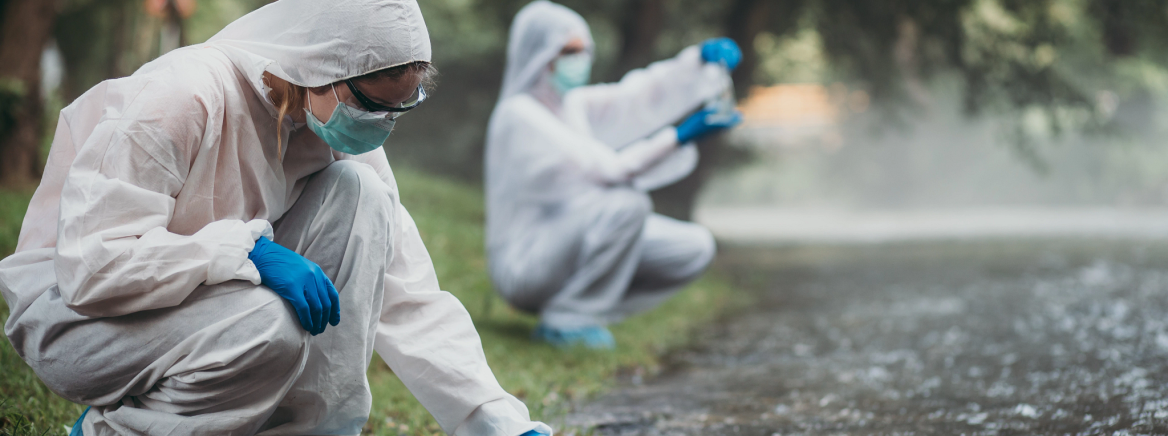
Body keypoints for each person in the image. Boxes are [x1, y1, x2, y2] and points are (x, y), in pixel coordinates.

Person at [0, 0, 552, 434]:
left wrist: (499, 422)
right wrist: (243, 252)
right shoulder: (186, 95)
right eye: (370, 104)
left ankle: (316, 431)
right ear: (318, 65)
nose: (381, 123)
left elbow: (405, 291)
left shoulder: (334, 131)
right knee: (267, 325)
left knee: (361, 193)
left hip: (201, 305)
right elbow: (91, 266)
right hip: (78, 316)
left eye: (400, 107)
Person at [485, 0, 743, 350]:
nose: (582, 59)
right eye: (571, 50)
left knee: (694, 248)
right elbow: (609, 170)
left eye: (586, 50)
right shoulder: (519, 114)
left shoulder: (569, 106)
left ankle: (578, 309)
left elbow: (637, 98)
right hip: (526, 263)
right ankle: (569, 319)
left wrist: (697, 62)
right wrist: (679, 136)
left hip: (571, 241)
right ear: (540, 53)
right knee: (627, 203)